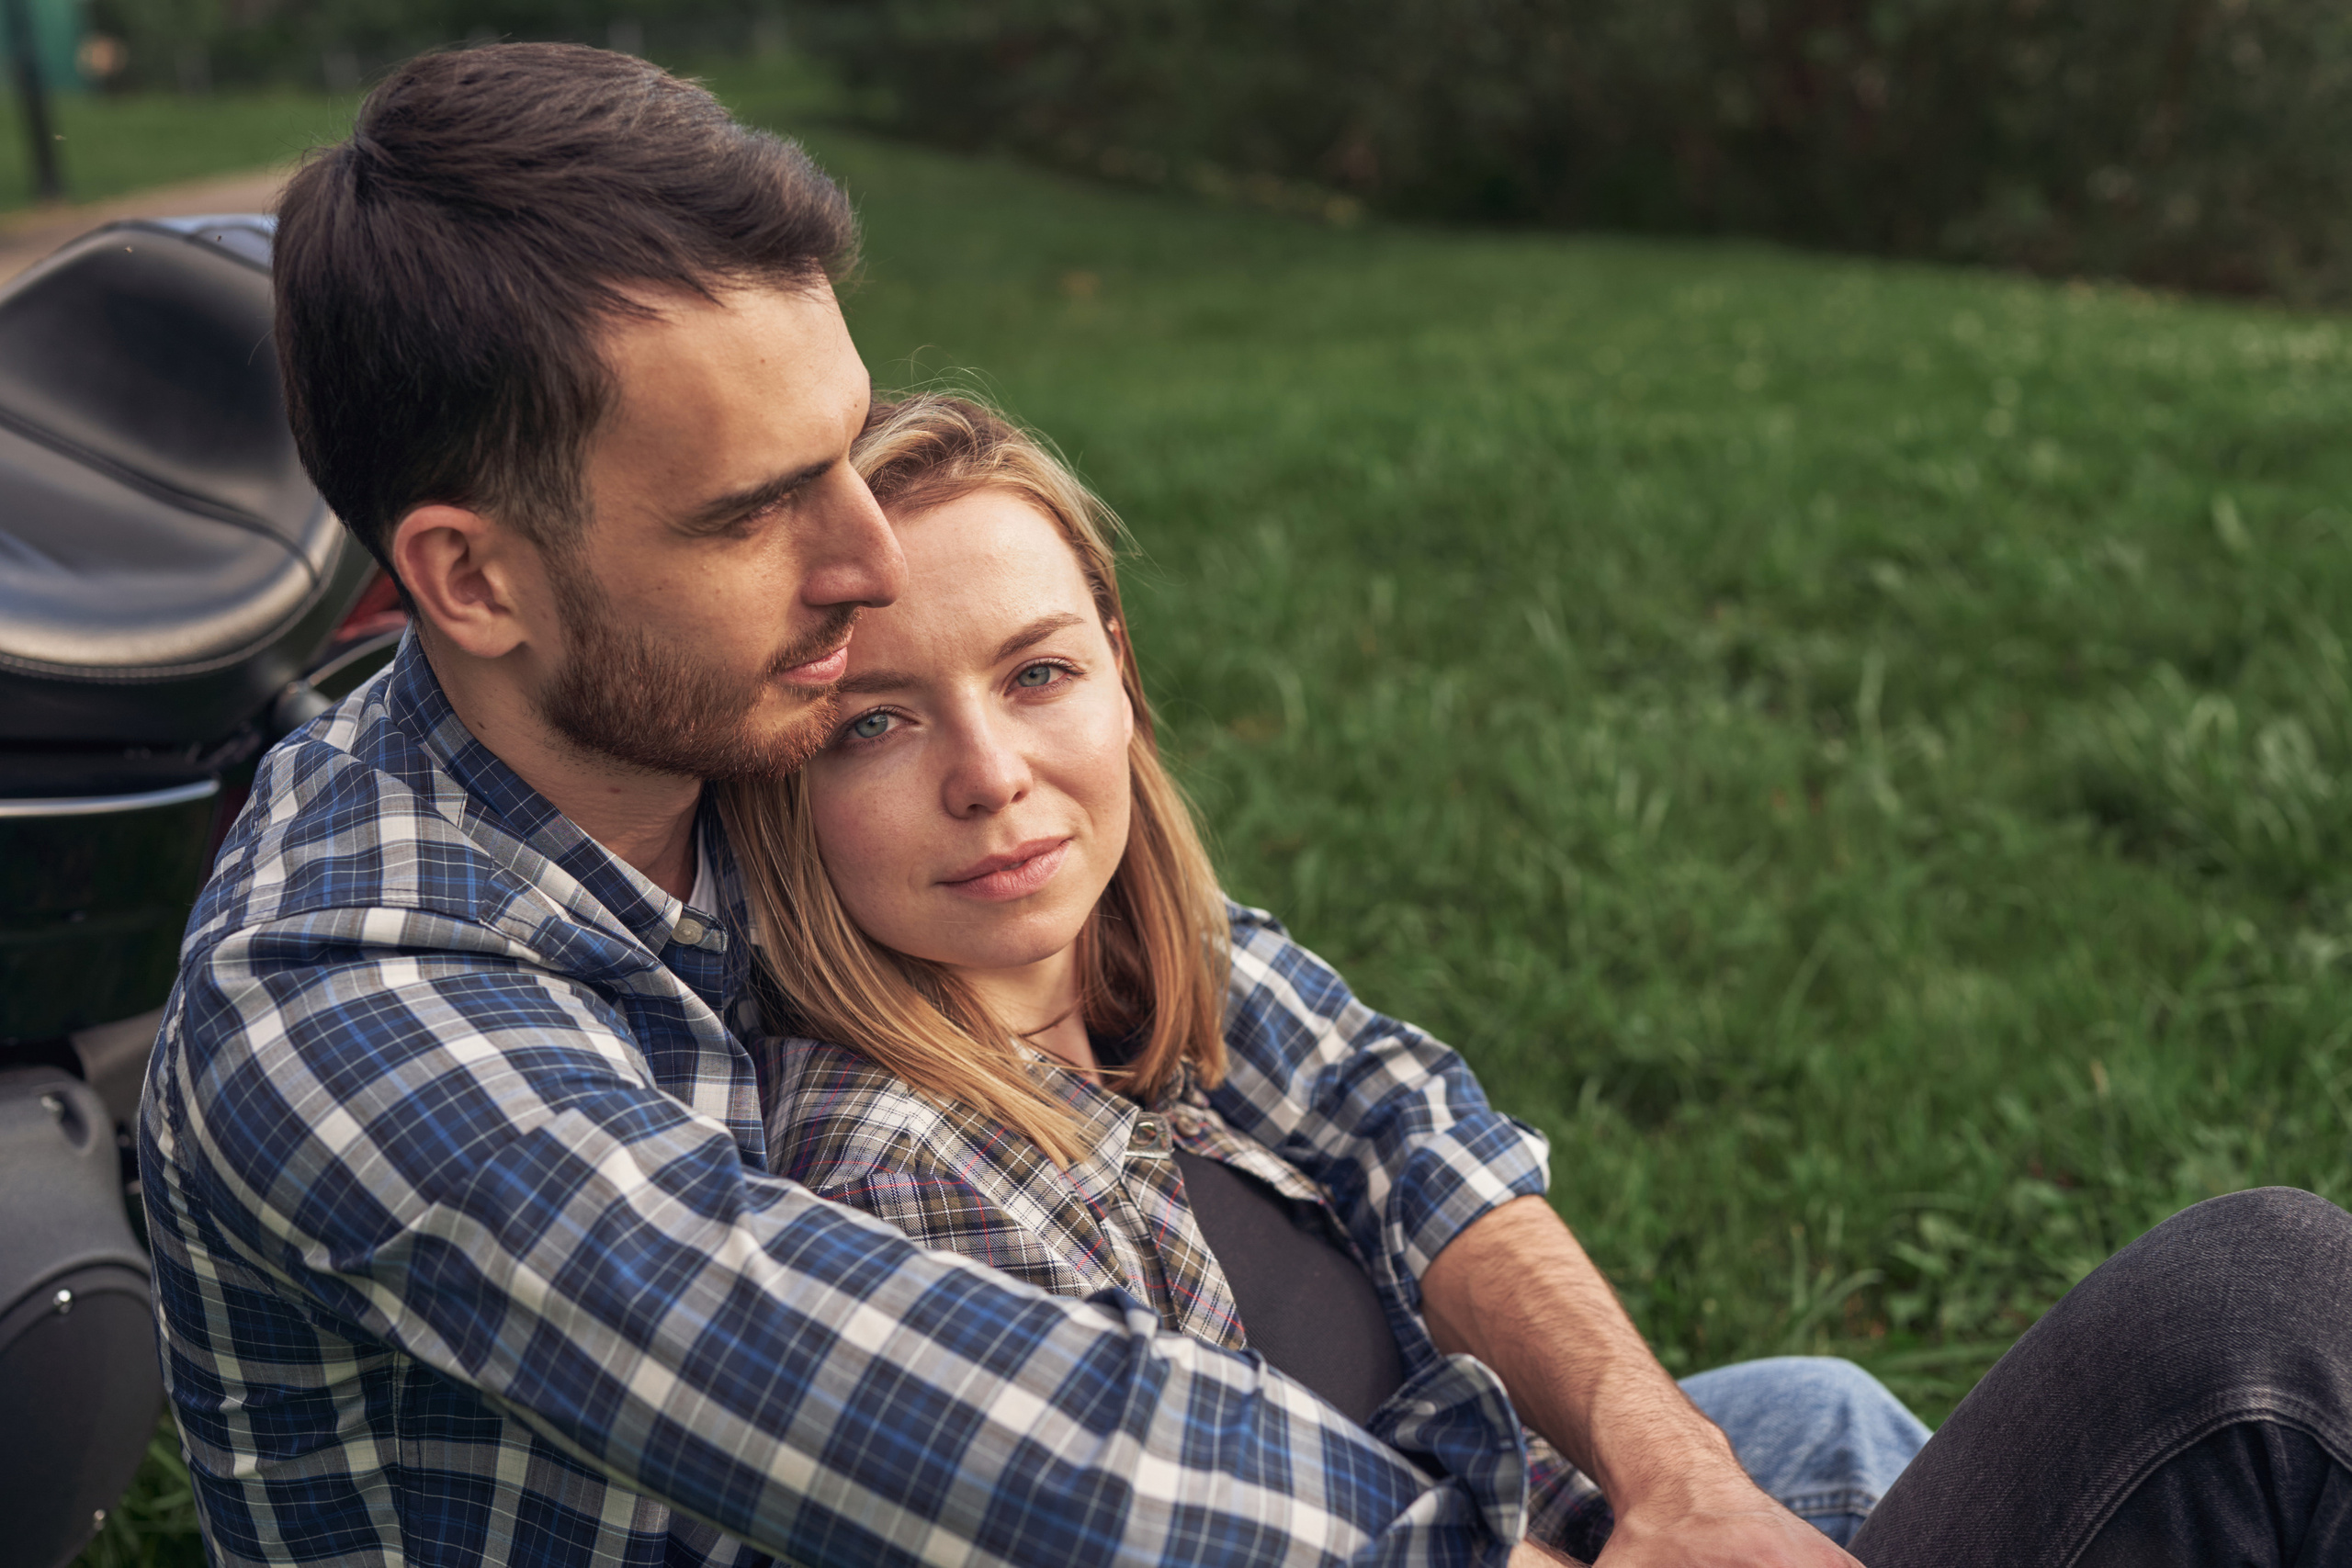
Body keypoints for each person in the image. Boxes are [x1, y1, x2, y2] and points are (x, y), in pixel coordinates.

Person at [142, 39, 2352, 1568]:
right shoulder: (354, 1019)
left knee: (1792, 1423)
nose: (860, 559)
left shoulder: (697, 706)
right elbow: (1018, 1456)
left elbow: (1324, 1057)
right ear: (469, 577)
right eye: (755, 506)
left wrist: (1662, 1468)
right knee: (2245, 1344)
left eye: (853, 448)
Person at [720, 390, 1929, 1561]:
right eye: (874, 724)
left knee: (1820, 1416)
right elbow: (1211, 1523)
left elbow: (1413, 1140)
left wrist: (1681, 1477)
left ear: (1121, 674)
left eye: (1036, 675)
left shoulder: (1155, 946)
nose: (990, 777)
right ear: (782, 773)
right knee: (2127, 1363)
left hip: (1508, 1499)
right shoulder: (894, 1175)